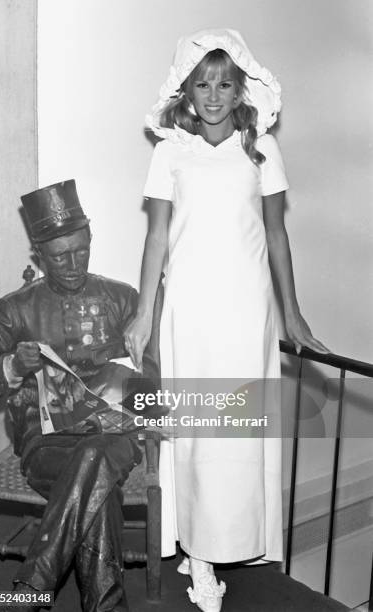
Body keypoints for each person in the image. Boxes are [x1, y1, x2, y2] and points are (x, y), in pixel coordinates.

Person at [124, 28, 328, 612]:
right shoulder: (170, 152)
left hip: (246, 314)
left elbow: (276, 234)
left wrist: (292, 314)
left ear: (241, 90)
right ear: (186, 89)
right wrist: (143, 314)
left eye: (225, 83)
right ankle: (200, 554)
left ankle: (223, 540)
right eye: (202, 83)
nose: (213, 94)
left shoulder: (261, 149)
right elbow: (156, 237)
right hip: (190, 312)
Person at [0, 180, 160, 612]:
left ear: (90, 241)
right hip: (46, 444)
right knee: (94, 480)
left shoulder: (122, 299)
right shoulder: (14, 309)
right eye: (60, 256)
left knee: (96, 454)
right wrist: (13, 367)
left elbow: (154, 382)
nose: (73, 264)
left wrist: (121, 382)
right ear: (38, 256)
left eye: (81, 251)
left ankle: (31, 586)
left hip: (113, 435)